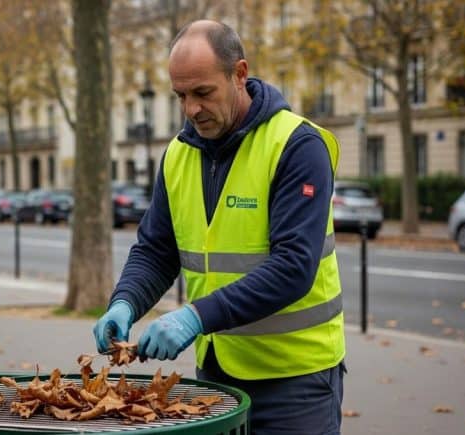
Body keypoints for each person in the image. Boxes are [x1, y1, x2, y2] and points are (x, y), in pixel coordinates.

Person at [93, 20, 346, 434]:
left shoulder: (298, 145)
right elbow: (157, 249)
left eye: (203, 93)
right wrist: (125, 301)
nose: (191, 109)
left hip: (296, 381)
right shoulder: (178, 153)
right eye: (181, 96)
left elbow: (293, 267)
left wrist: (193, 317)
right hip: (217, 376)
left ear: (240, 74)